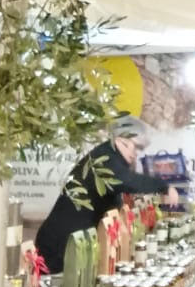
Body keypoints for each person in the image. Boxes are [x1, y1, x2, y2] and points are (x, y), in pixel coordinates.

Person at [36, 116, 179, 275]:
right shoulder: (106, 159)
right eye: (135, 147)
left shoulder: (111, 156)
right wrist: (165, 187)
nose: (136, 154)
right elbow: (127, 181)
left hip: (75, 242)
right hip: (62, 245)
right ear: (120, 140)